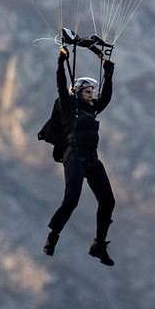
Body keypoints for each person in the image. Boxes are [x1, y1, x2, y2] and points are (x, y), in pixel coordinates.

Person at [43, 47, 116, 265]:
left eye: (92, 92)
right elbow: (60, 85)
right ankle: (53, 236)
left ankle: (98, 245)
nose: (91, 95)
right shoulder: (68, 106)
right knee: (72, 199)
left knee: (108, 201)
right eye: (87, 92)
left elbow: (107, 97)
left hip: (92, 159)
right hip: (73, 156)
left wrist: (109, 73)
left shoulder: (92, 109)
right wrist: (61, 61)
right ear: (78, 93)